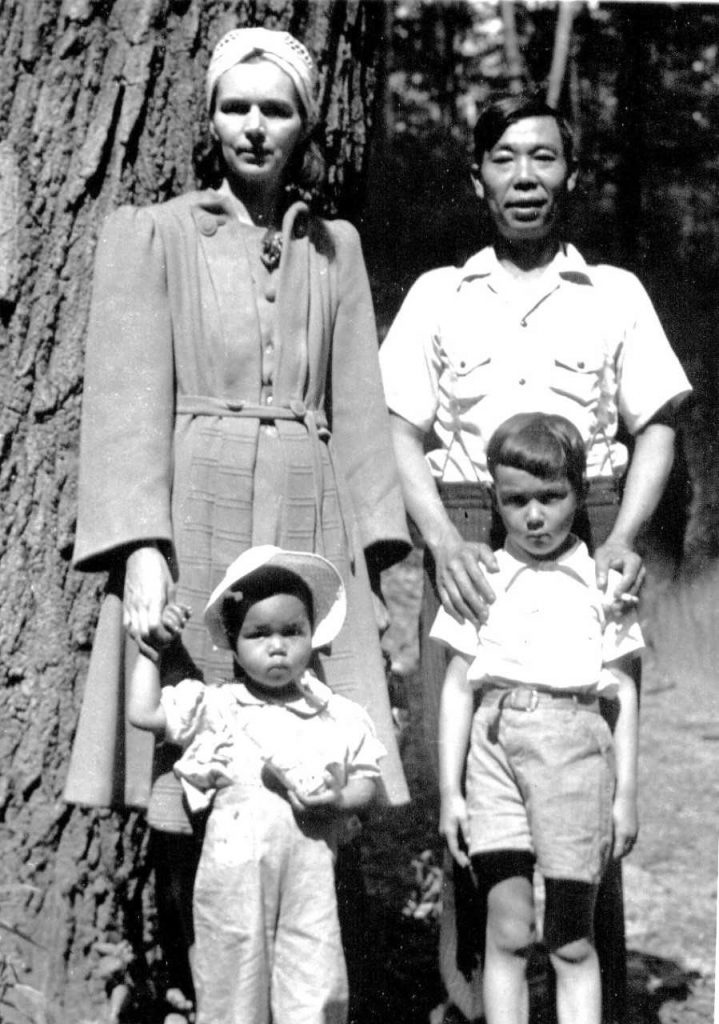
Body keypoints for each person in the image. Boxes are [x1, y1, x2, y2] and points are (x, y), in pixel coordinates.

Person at [64, 26, 410, 1021]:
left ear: (306, 124)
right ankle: (200, 987)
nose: (253, 127)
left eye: (275, 109)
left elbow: (356, 409)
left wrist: (373, 572)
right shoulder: (156, 234)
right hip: (194, 508)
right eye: (235, 107)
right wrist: (140, 548)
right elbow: (127, 401)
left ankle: (299, 991)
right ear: (210, 118)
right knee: (185, 781)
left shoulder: (331, 248)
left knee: (308, 767)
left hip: (306, 512)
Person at [379, 91, 691, 1022]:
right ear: (477, 176)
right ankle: (476, 991)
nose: (525, 177)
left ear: (570, 173)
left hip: (584, 532)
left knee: (582, 752)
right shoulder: (440, 293)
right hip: (469, 534)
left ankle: (583, 967)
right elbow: (399, 428)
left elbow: (657, 430)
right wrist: (440, 538)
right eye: (506, 159)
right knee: (472, 767)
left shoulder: (616, 294)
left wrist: (627, 538)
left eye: (544, 158)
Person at [434, 412, 643, 1024]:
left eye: (551, 498)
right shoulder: (483, 577)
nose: (534, 515)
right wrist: (450, 791)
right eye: (516, 499)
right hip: (492, 749)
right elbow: (455, 687)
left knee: (572, 939)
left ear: (578, 495)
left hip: (574, 749)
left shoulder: (603, 581)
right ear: (495, 501)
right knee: (507, 929)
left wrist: (626, 792)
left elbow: (622, 692)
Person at [128, 545, 384, 1024]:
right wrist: (151, 651)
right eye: (259, 634)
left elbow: (367, 778)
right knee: (232, 986)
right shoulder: (216, 708)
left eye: (292, 631)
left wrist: (339, 799)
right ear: (233, 639)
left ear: (312, 634)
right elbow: (144, 714)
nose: (277, 646)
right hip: (233, 878)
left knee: (314, 984)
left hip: (310, 879)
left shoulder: (335, 714)